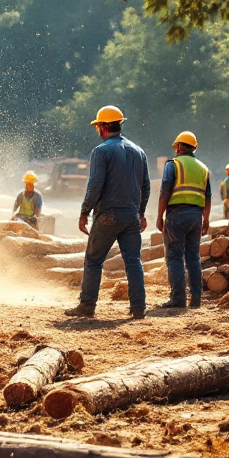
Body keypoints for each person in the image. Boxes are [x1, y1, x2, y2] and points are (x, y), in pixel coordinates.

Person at [65, 105, 150, 320]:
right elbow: (146, 186)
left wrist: (84, 211)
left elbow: (95, 185)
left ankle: (87, 306)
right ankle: (138, 307)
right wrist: (140, 213)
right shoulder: (139, 152)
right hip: (131, 215)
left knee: (93, 260)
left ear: (103, 127)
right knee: (133, 261)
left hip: (108, 215)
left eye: (98, 126)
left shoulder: (101, 151)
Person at [156, 131, 211, 309]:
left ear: (179, 146)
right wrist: (207, 219)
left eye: (177, 147)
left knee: (174, 257)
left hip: (176, 215)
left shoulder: (173, 164)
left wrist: (159, 216)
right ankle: (196, 299)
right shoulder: (203, 168)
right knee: (193, 257)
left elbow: (165, 191)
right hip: (196, 216)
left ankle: (178, 299)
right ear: (193, 147)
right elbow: (208, 196)